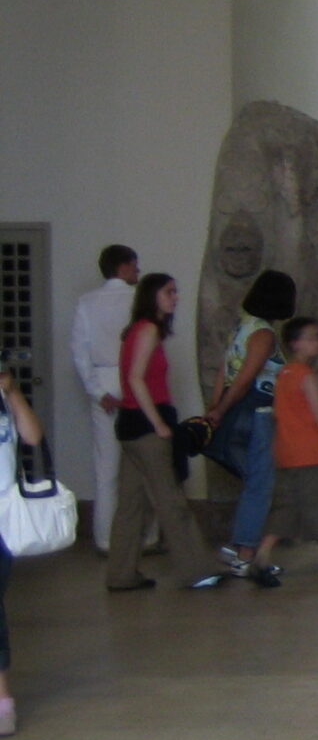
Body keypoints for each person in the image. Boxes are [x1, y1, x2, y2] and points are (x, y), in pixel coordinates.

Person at [105, 273, 227, 591]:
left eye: (176, 291)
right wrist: (158, 423)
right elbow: (135, 379)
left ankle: (121, 574)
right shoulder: (147, 329)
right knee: (171, 501)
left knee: (131, 505)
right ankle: (198, 570)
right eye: (169, 292)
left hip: (130, 428)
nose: (175, 297)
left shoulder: (139, 330)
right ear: (152, 296)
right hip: (147, 429)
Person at [249, 316, 318, 587]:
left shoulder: (284, 374)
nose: (317, 343)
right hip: (311, 452)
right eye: (311, 338)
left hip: (286, 452)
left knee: (285, 507)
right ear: (295, 343)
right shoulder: (305, 375)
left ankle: (261, 557)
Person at [205, 269, 295, 579]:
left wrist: (216, 406)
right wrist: (220, 410)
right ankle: (246, 553)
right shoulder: (264, 334)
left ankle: (246, 547)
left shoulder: (241, 327)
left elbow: (225, 371)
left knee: (255, 482)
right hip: (258, 412)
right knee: (260, 484)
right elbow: (246, 379)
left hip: (236, 409)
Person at [69, 244, 144, 554]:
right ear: (123, 268)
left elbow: (79, 352)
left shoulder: (87, 302)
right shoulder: (139, 300)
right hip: (137, 379)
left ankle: (105, 540)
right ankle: (147, 537)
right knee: (146, 464)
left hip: (103, 380)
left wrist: (98, 392)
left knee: (106, 468)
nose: (138, 271)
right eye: (134, 266)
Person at [0, 359, 46, 735]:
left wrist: (13, 393)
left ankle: (2, 700)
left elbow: (32, 436)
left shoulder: (6, 398)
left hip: (4, 516)